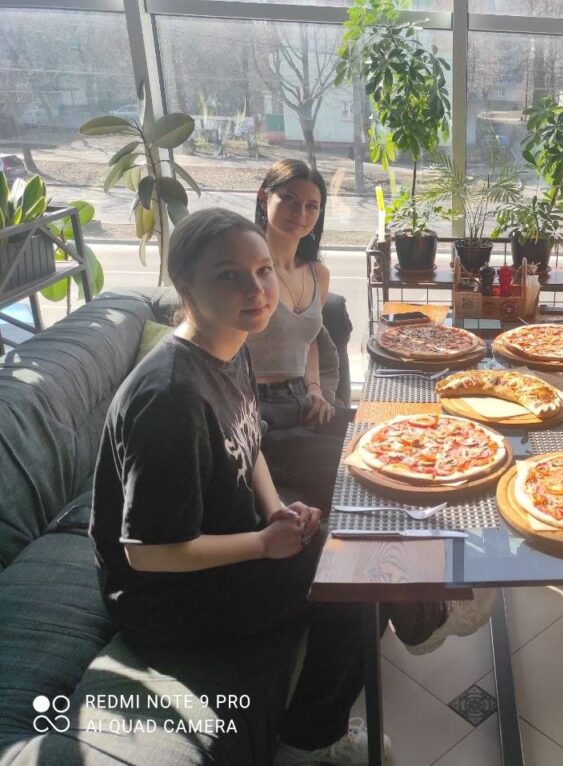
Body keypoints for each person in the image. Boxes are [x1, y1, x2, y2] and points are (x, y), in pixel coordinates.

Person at [89, 208, 379, 765]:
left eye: (264, 270)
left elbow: (251, 443)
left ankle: (423, 616)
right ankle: (310, 743)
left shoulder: (230, 345)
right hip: (166, 599)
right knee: (359, 583)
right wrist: (263, 545)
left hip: (219, 549)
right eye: (229, 275)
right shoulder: (170, 398)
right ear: (185, 286)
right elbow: (148, 553)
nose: (257, 290)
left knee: (358, 538)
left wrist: (276, 510)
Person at [248, 159, 346, 501]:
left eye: (311, 206)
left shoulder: (318, 273)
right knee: (354, 464)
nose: (300, 213)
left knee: (376, 435)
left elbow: (309, 339)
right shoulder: (246, 269)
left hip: (300, 401)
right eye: (289, 199)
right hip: (256, 410)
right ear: (264, 197)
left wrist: (315, 391)